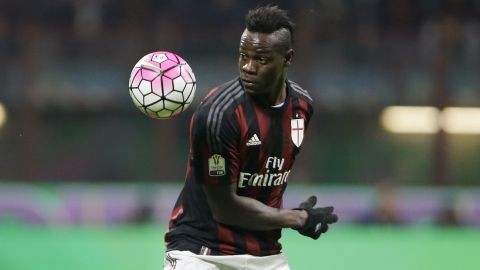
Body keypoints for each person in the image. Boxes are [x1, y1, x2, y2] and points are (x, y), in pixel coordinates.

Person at [164, 5, 338, 270]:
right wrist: (296, 218)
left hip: (265, 255)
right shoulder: (218, 115)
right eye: (243, 55)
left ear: (287, 58)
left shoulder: (302, 106)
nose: (248, 66)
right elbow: (225, 207)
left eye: (261, 59)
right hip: (202, 252)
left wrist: (290, 215)